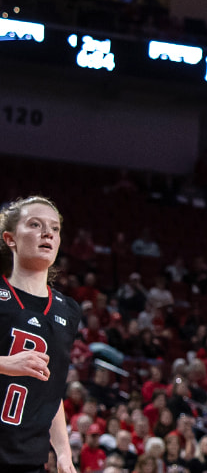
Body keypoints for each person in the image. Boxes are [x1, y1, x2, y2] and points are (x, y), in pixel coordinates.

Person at [0, 196, 81, 473]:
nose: (48, 233)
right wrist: (4, 364)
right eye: (35, 224)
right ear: (10, 238)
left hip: (28, 459)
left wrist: (63, 452)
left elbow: (51, 389)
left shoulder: (68, 311)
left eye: (55, 228)